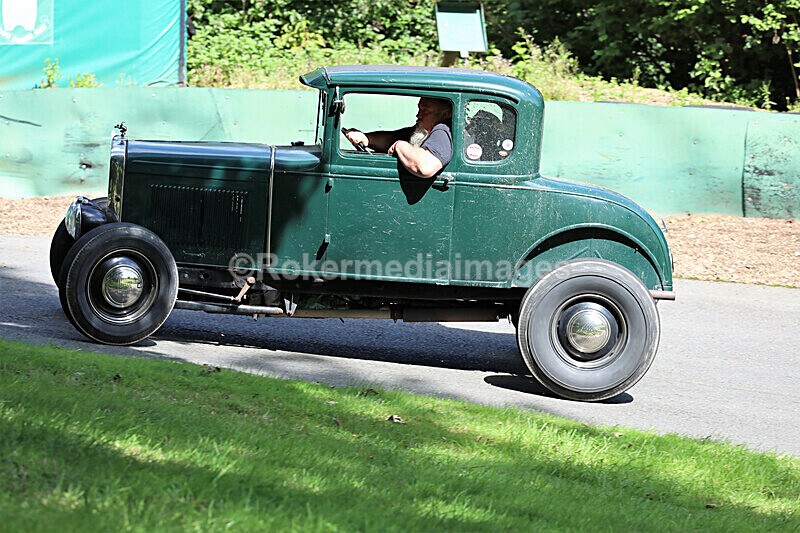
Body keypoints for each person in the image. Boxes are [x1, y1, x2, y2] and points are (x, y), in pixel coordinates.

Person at [343, 97, 452, 179]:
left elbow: (425, 167)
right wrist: (366, 138)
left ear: (446, 114)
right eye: (419, 109)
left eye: (425, 111)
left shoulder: (442, 130)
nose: (418, 115)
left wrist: (399, 145)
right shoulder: (422, 131)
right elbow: (393, 137)